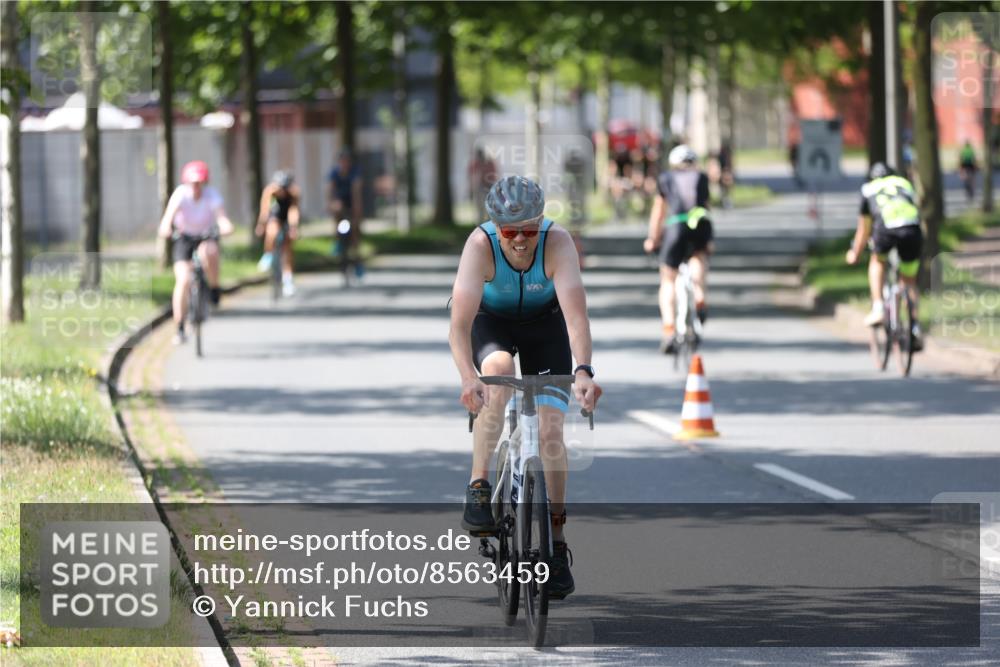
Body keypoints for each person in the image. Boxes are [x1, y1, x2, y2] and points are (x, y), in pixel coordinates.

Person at [449, 175, 601, 599]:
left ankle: (555, 541)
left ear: (541, 222)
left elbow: (575, 319)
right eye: (509, 231)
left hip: (545, 327)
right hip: (490, 323)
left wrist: (585, 370)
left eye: (529, 229)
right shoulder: (480, 246)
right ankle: (480, 484)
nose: (519, 240)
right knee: (497, 371)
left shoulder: (558, 242)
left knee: (551, 431)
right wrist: (468, 376)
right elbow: (458, 327)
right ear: (495, 227)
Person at [644, 144, 713, 354]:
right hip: (700, 224)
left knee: (668, 279)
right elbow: (706, 207)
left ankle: (668, 329)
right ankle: (700, 295)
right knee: (698, 257)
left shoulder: (666, 179)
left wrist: (652, 239)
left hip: (675, 227)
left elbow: (658, 212)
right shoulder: (702, 177)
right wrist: (709, 240)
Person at [846, 162, 924, 351]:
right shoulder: (904, 183)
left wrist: (854, 253)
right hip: (911, 228)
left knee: (877, 261)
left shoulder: (868, 189)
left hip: (886, 227)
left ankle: (879, 306)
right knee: (909, 280)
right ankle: (915, 327)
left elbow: (864, 229)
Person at [157, 160, 235, 345]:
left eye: (199, 182)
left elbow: (222, 218)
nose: (196, 186)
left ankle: (214, 287)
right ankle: (180, 327)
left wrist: (225, 227)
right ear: (186, 182)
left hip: (206, 235)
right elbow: (167, 220)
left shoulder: (212, 195)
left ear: (205, 182)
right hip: (184, 237)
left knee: (210, 251)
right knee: (182, 280)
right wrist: (167, 229)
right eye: (193, 182)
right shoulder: (180, 195)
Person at [255, 171, 301, 296]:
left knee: (288, 247)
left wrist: (293, 227)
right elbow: (265, 211)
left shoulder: (293, 193)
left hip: (286, 216)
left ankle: (288, 280)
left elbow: (294, 211)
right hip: (274, 215)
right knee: (272, 231)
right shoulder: (270, 191)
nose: (282, 191)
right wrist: (261, 225)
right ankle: (268, 255)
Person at [327, 150, 364, 274]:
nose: (345, 164)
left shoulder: (355, 172)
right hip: (340, 202)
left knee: (354, 229)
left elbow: (356, 191)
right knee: (337, 213)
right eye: (342, 161)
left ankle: (357, 260)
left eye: (347, 161)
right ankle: (337, 241)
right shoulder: (334, 173)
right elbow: (330, 190)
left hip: (351, 201)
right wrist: (331, 204)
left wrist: (357, 208)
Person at [468, 147, 498, 221]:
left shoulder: (489, 163)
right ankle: (481, 224)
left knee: (488, 209)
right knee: (480, 208)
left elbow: (494, 175)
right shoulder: (475, 164)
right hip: (480, 188)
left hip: (488, 187)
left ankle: (487, 223)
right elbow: (471, 177)